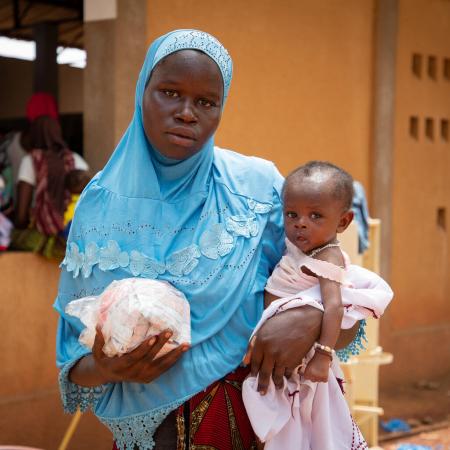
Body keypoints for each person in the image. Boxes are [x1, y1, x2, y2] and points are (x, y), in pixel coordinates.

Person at [55, 30, 386, 450]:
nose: (187, 113)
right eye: (170, 92)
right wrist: (107, 366)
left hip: (265, 428)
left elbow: (333, 296)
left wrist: (308, 320)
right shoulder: (98, 207)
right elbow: (73, 362)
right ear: (142, 92)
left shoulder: (257, 188)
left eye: (206, 102)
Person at [242, 161, 393, 449]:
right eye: (292, 214)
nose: (301, 223)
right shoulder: (300, 247)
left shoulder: (327, 256)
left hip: (301, 358)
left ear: (343, 222)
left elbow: (334, 306)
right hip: (279, 354)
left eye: (315, 215)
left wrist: (322, 356)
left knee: (296, 425)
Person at [11, 116, 88, 258]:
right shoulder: (76, 160)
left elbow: (21, 216)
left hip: (45, 238)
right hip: (79, 239)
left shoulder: (31, 161)